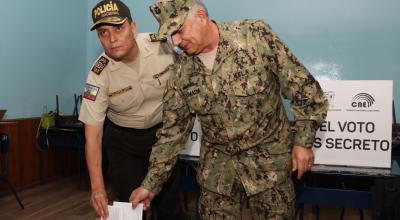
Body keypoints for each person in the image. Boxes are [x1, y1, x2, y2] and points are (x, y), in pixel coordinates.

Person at [130, 0, 329, 219]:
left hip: (269, 167)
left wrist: (303, 142)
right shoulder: (181, 73)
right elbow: (172, 134)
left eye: (179, 30)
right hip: (218, 175)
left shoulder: (254, 36)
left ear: (202, 17)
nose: (176, 41)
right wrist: (150, 185)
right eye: (171, 35)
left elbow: (305, 90)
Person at [78, 0, 186, 219]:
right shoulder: (99, 74)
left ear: (133, 27)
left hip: (161, 137)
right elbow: (93, 135)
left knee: (171, 205)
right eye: (103, 32)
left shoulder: (162, 46)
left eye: (119, 28)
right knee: (132, 208)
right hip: (123, 142)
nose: (112, 38)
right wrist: (97, 187)